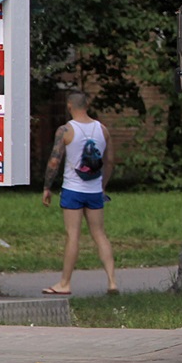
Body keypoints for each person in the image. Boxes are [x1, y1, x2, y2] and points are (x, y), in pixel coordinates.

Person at [40, 91, 118, 295]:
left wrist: (47, 187)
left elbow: (55, 161)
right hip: (94, 191)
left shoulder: (65, 130)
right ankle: (111, 281)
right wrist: (103, 185)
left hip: (73, 190)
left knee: (73, 235)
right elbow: (110, 162)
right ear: (87, 105)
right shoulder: (103, 130)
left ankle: (65, 283)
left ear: (69, 106)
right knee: (100, 234)